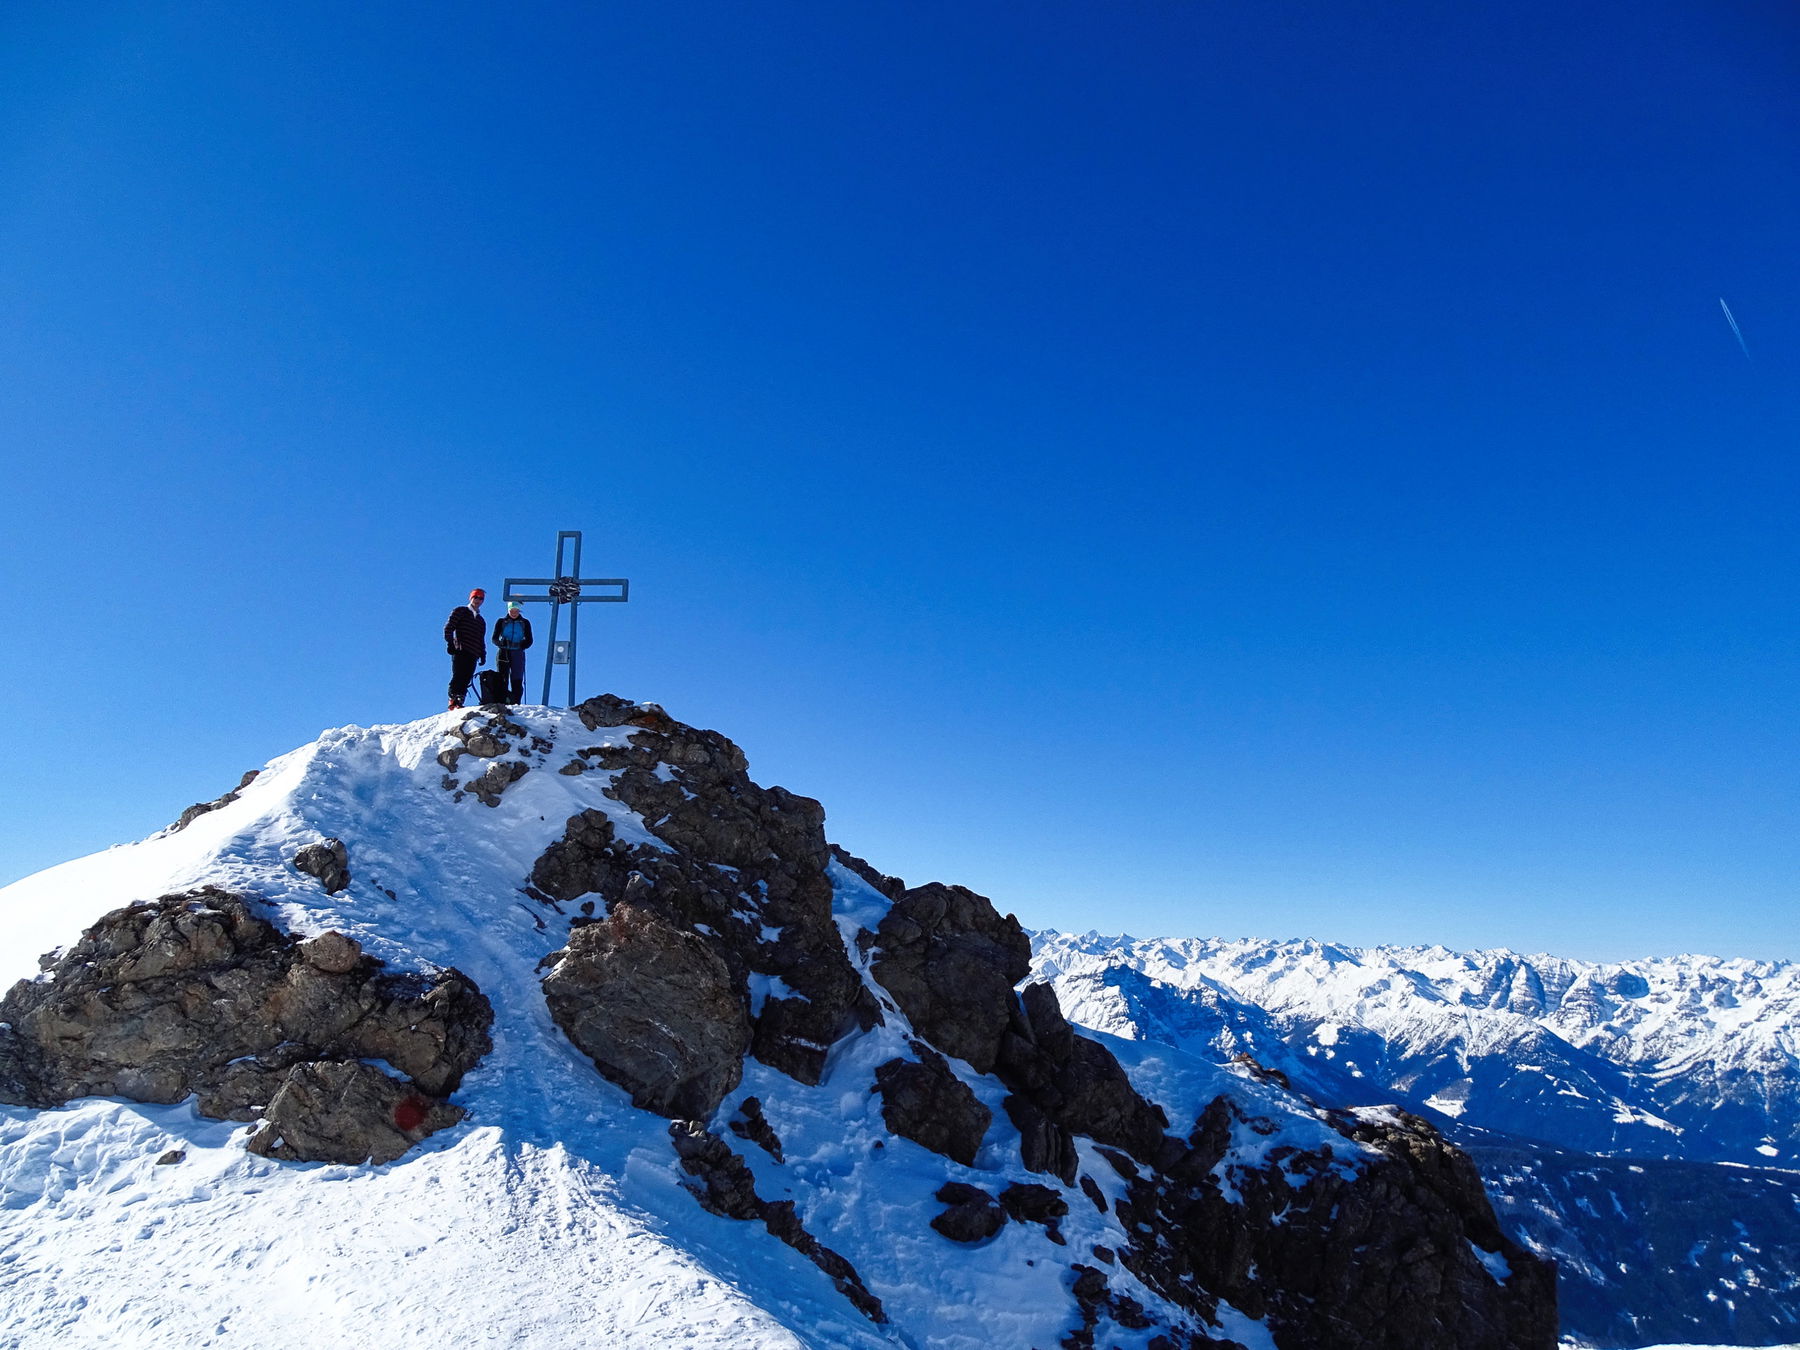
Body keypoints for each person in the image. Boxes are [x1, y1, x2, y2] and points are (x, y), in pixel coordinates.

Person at [444, 588, 487, 709]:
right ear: (471, 598)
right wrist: (450, 643)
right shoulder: (461, 611)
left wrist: (483, 654)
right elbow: (449, 627)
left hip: (473, 652)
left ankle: (460, 700)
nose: (478, 600)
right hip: (460, 649)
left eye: (481, 598)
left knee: (467, 676)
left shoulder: (481, 621)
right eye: (476, 597)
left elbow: (481, 639)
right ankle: (453, 699)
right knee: (458, 675)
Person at [492, 599, 534, 704]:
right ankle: (502, 700)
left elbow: (530, 639)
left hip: (518, 652)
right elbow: (494, 638)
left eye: (516, 611)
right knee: (502, 677)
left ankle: (516, 702)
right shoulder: (501, 622)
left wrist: (522, 645)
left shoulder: (525, 623)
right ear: (508, 610)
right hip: (503, 653)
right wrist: (502, 644)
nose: (514, 613)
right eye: (512, 611)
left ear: (519, 611)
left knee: (517, 678)